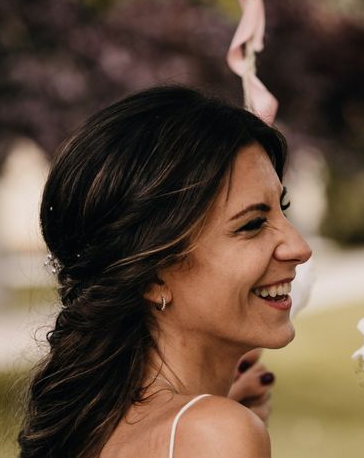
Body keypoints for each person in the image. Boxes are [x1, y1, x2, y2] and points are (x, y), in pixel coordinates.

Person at [18, 85, 312, 458]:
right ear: (154, 274)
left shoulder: (100, 427)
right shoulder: (214, 433)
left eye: (282, 209)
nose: (300, 247)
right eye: (252, 224)